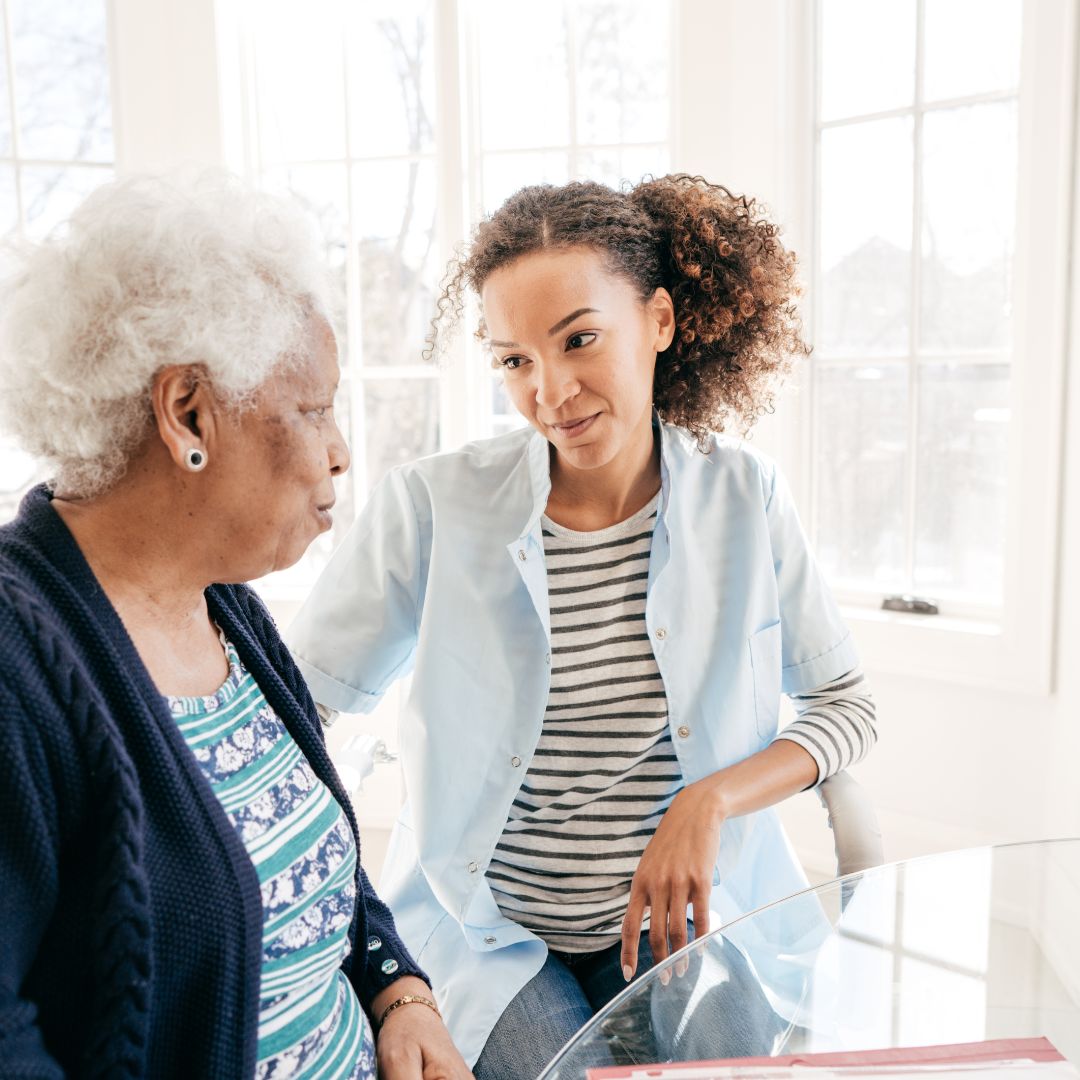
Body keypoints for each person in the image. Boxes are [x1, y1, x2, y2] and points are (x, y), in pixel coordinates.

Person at [286, 175, 879, 1077]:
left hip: (696, 922)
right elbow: (301, 709)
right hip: (494, 933)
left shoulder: (745, 495)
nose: (551, 392)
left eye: (580, 340)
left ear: (662, 322)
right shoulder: (433, 506)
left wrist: (707, 801)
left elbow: (846, 705)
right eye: (515, 361)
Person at [0, 173, 472, 1079]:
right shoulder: (19, 665)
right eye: (312, 408)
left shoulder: (227, 610)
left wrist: (399, 993)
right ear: (188, 414)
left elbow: (313, 863)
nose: (340, 450)